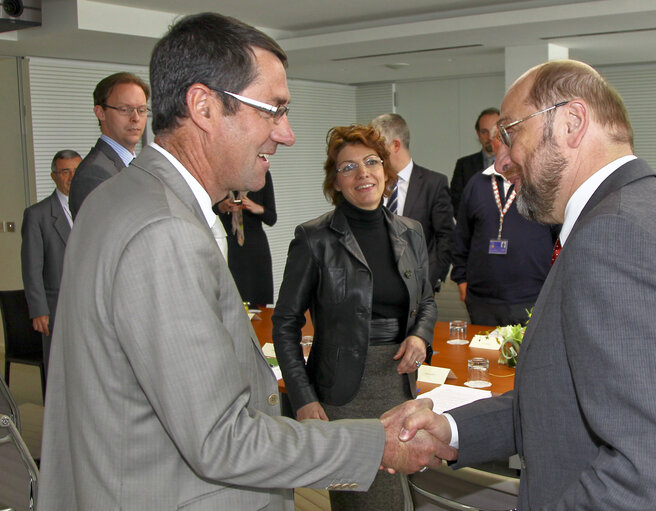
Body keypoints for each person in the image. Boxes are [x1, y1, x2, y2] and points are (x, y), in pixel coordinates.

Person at [37, 13, 452, 511]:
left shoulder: (118, 197)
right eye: (273, 110)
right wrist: (371, 443)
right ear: (204, 106)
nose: (287, 133)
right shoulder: (164, 232)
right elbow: (220, 439)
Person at [388, 59, 656, 509]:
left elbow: (653, 473)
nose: (500, 159)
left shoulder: (618, 236)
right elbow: (568, 400)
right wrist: (454, 428)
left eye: (510, 133)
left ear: (572, 122)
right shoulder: (645, 212)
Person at [273, 124, 437, 510]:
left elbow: (426, 299)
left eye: (370, 162)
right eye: (348, 167)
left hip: (400, 385)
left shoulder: (410, 232)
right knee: (366, 503)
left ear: (385, 169)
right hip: (344, 393)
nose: (363, 173)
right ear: (336, 182)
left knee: (409, 497)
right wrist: (303, 398)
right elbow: (285, 324)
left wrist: (420, 336)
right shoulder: (314, 239)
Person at [451, 126, 556, 326]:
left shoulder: (540, 184)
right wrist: (461, 281)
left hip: (532, 298)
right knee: (482, 356)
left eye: (512, 138)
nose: (506, 144)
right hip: (482, 301)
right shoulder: (476, 184)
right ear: (493, 143)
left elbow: (559, 239)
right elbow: (461, 237)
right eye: (500, 138)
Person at [370, 113, 454, 291]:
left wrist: (428, 281)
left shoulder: (433, 183)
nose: (373, 154)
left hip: (418, 288)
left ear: (395, 145)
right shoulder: (371, 183)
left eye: (377, 147)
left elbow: (445, 238)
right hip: (375, 286)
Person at [21, 149, 81, 372]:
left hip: (90, 305)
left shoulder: (92, 207)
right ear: (54, 176)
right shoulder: (38, 215)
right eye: (65, 172)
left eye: (77, 171)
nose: (72, 177)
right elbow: (31, 268)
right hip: (56, 308)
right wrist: (38, 310)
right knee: (59, 369)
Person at [68, 72, 149, 218]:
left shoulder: (139, 166)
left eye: (141, 110)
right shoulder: (94, 174)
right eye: (125, 109)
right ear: (100, 113)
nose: (135, 118)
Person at [215, 170, 277, 306]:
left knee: (258, 302)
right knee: (230, 300)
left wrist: (255, 208)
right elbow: (207, 210)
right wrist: (222, 207)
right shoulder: (219, 172)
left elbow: (272, 218)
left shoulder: (262, 174)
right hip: (229, 246)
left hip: (255, 248)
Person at [450, 107, 499, 216]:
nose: (490, 137)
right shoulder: (463, 166)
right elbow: (456, 203)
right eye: (484, 132)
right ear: (478, 134)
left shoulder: (513, 164)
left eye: (494, 132)